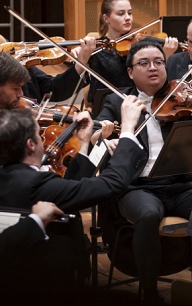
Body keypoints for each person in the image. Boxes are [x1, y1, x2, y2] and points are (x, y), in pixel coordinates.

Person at [0, 97, 149, 302]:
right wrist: (128, 131)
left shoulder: (12, 177)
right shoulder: (37, 184)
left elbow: (69, 192)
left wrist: (84, 142)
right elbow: (112, 183)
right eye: (39, 135)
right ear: (30, 145)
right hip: (48, 285)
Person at [95, 39, 192, 303]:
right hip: (138, 188)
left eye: (158, 62)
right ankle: (148, 291)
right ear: (131, 72)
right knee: (146, 215)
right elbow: (98, 129)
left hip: (179, 185)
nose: (153, 68)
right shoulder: (118, 101)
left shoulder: (181, 96)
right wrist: (105, 136)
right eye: (144, 64)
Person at [81, 0, 179, 104]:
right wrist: (82, 54)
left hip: (142, 103)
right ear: (106, 18)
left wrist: (165, 56)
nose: (128, 17)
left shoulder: (142, 45)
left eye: (130, 13)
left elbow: (155, 82)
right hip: (108, 106)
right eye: (121, 13)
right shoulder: (97, 48)